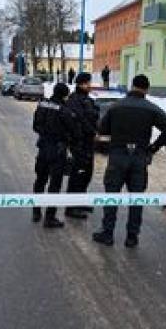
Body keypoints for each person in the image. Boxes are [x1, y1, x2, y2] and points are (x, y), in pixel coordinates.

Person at [92, 75, 166, 247]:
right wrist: (153, 148)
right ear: (146, 89)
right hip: (139, 157)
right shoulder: (151, 108)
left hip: (118, 155)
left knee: (111, 196)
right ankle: (132, 237)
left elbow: (102, 128)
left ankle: (107, 233)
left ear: (132, 86)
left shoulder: (116, 106)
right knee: (136, 198)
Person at [32, 83, 79, 228]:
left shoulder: (42, 105)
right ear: (64, 95)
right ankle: (50, 217)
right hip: (57, 151)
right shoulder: (65, 111)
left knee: (40, 180)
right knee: (55, 184)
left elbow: (35, 126)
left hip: (43, 147)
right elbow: (74, 131)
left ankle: (36, 211)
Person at [65, 72, 99, 219]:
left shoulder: (88, 100)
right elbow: (81, 120)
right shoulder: (73, 100)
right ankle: (72, 207)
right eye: (87, 83)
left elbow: (94, 116)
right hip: (78, 143)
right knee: (77, 175)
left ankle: (81, 201)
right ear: (80, 84)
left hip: (88, 143)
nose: (89, 85)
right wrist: (92, 130)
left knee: (87, 173)